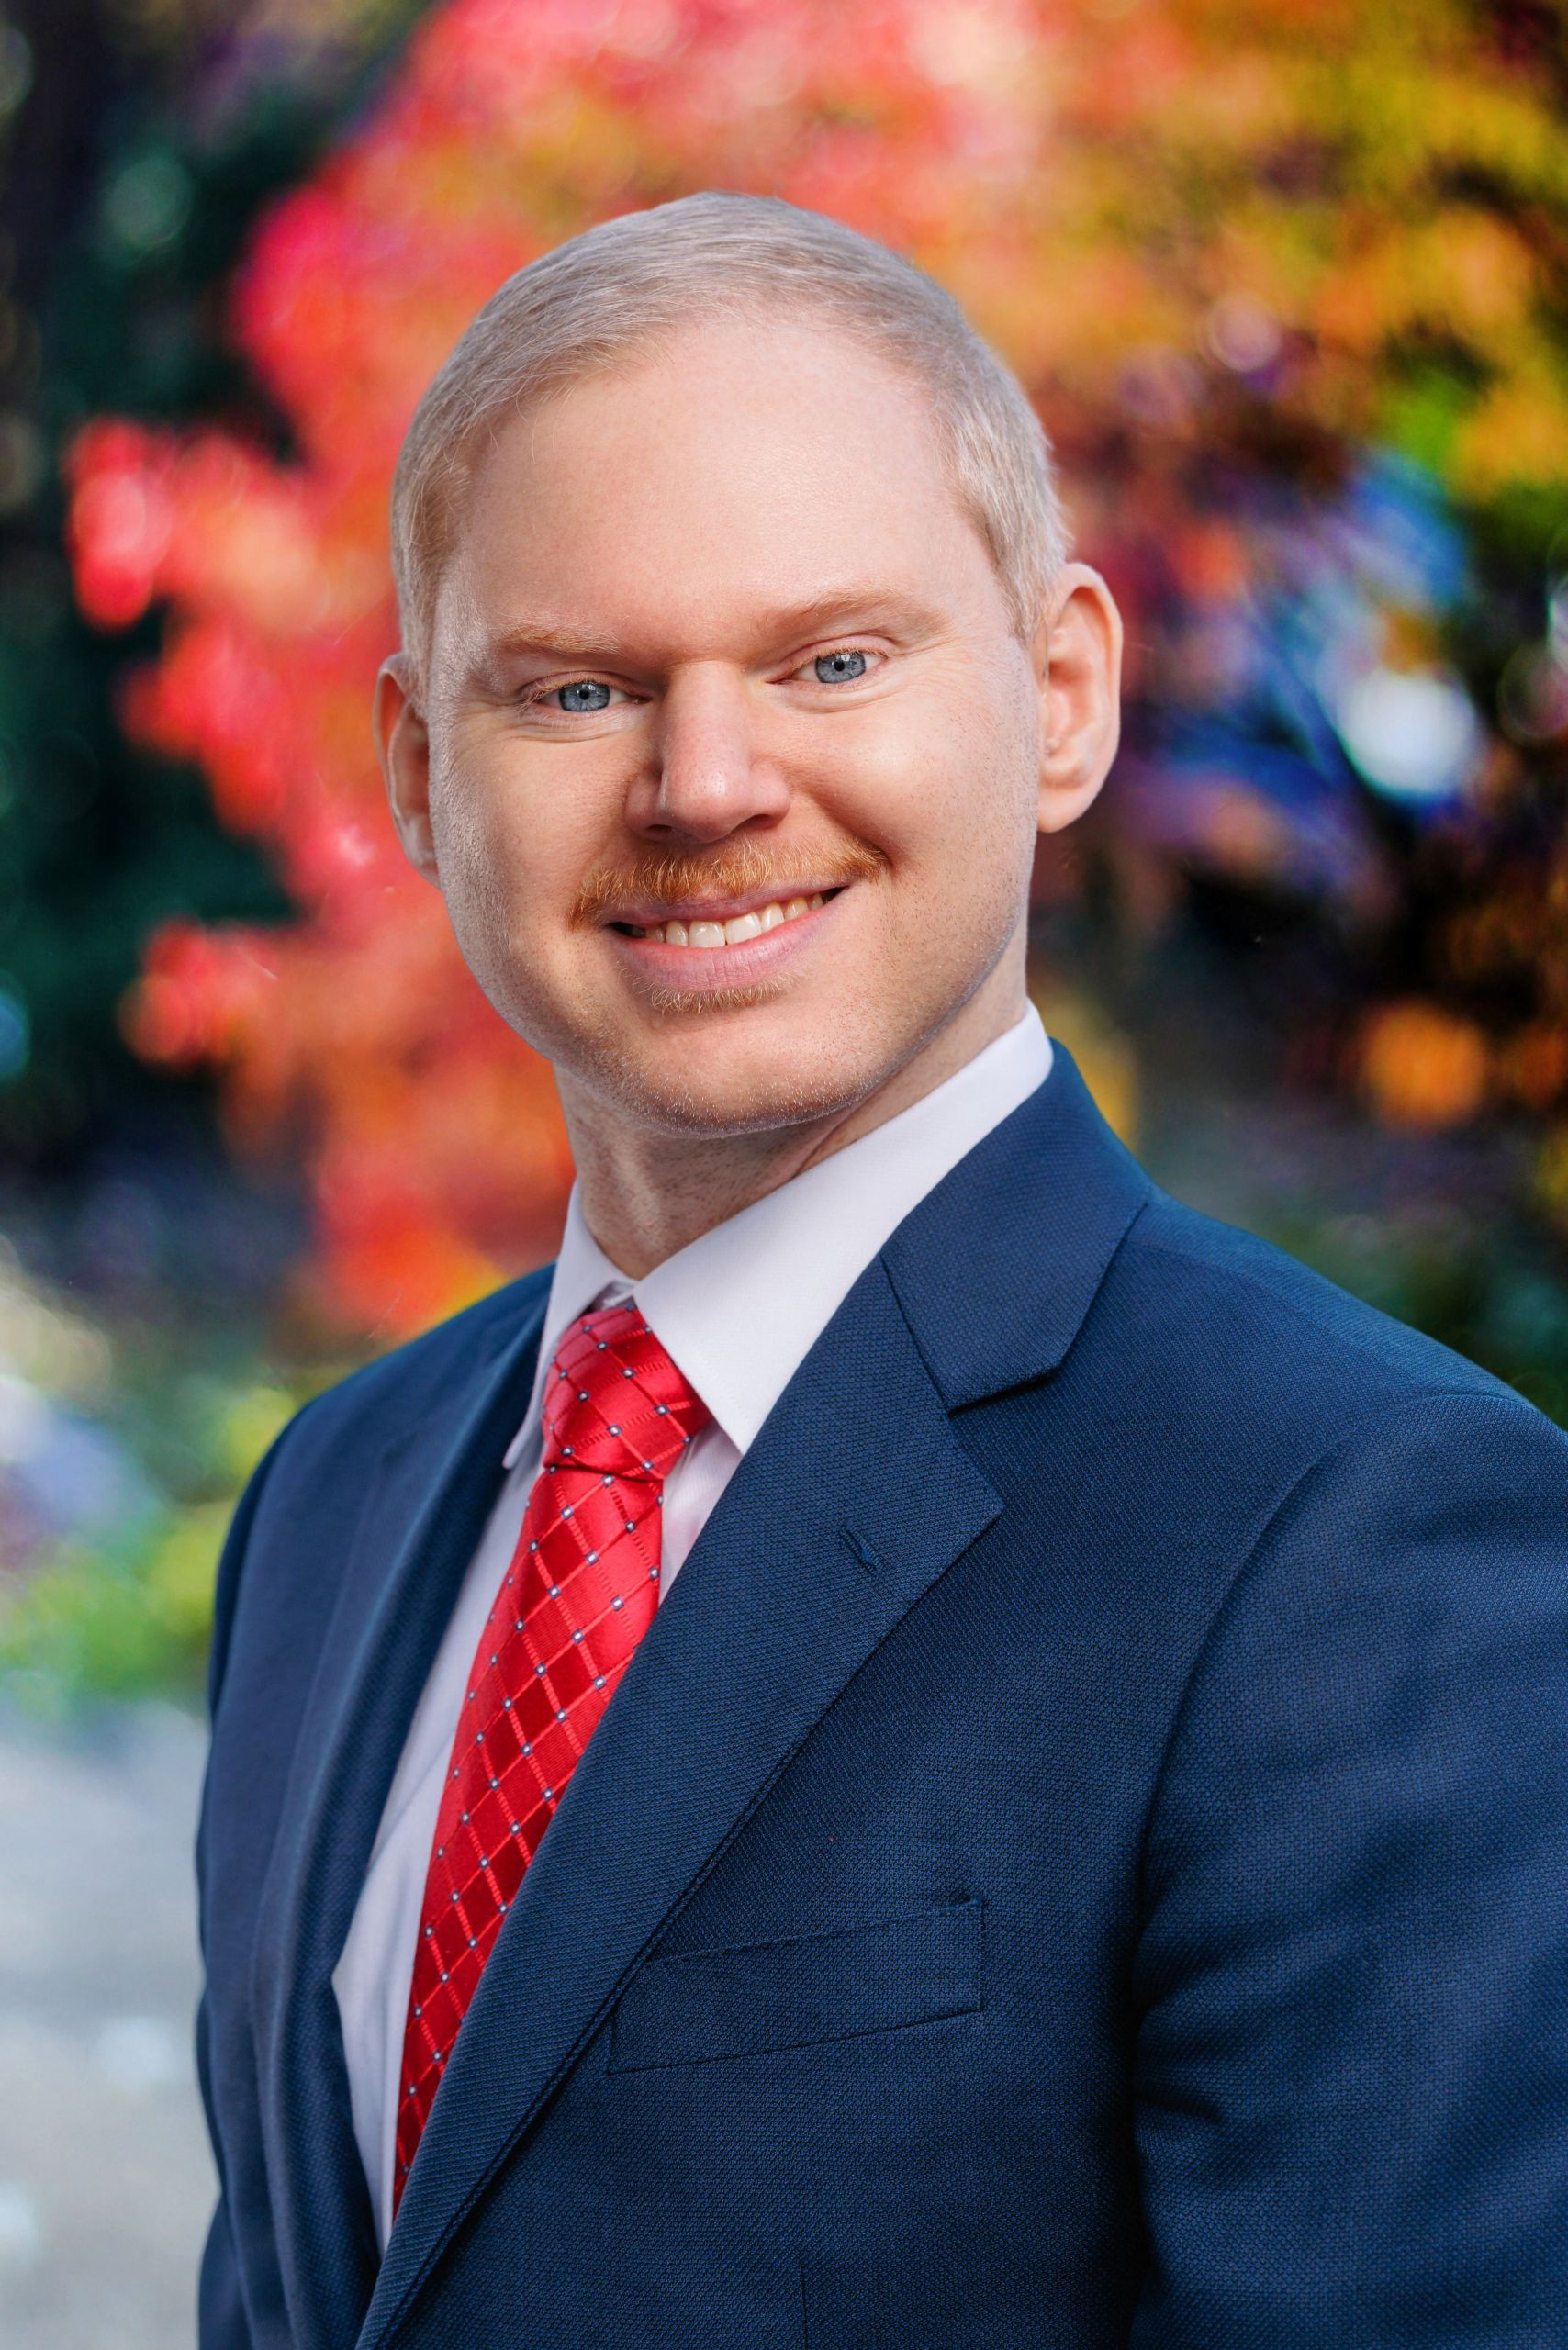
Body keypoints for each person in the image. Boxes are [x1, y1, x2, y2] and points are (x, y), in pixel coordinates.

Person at [193, 192, 1568, 2350]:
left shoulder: (1363, 1539)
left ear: (1056, 699)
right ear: (417, 769)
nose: (708, 781)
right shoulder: (331, 1506)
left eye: (831, 659)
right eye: (575, 686)